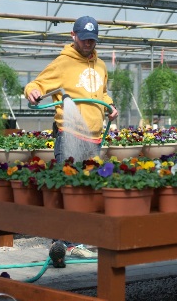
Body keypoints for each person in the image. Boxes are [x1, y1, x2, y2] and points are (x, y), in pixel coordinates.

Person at [25, 16, 118, 267]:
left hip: (95, 138)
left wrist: (109, 105)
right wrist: (33, 92)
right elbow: (36, 84)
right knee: (67, 187)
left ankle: (81, 239)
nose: (89, 44)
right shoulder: (63, 63)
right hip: (69, 134)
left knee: (87, 190)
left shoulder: (100, 65)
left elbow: (102, 92)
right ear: (73, 35)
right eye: (85, 39)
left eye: (93, 40)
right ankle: (62, 243)